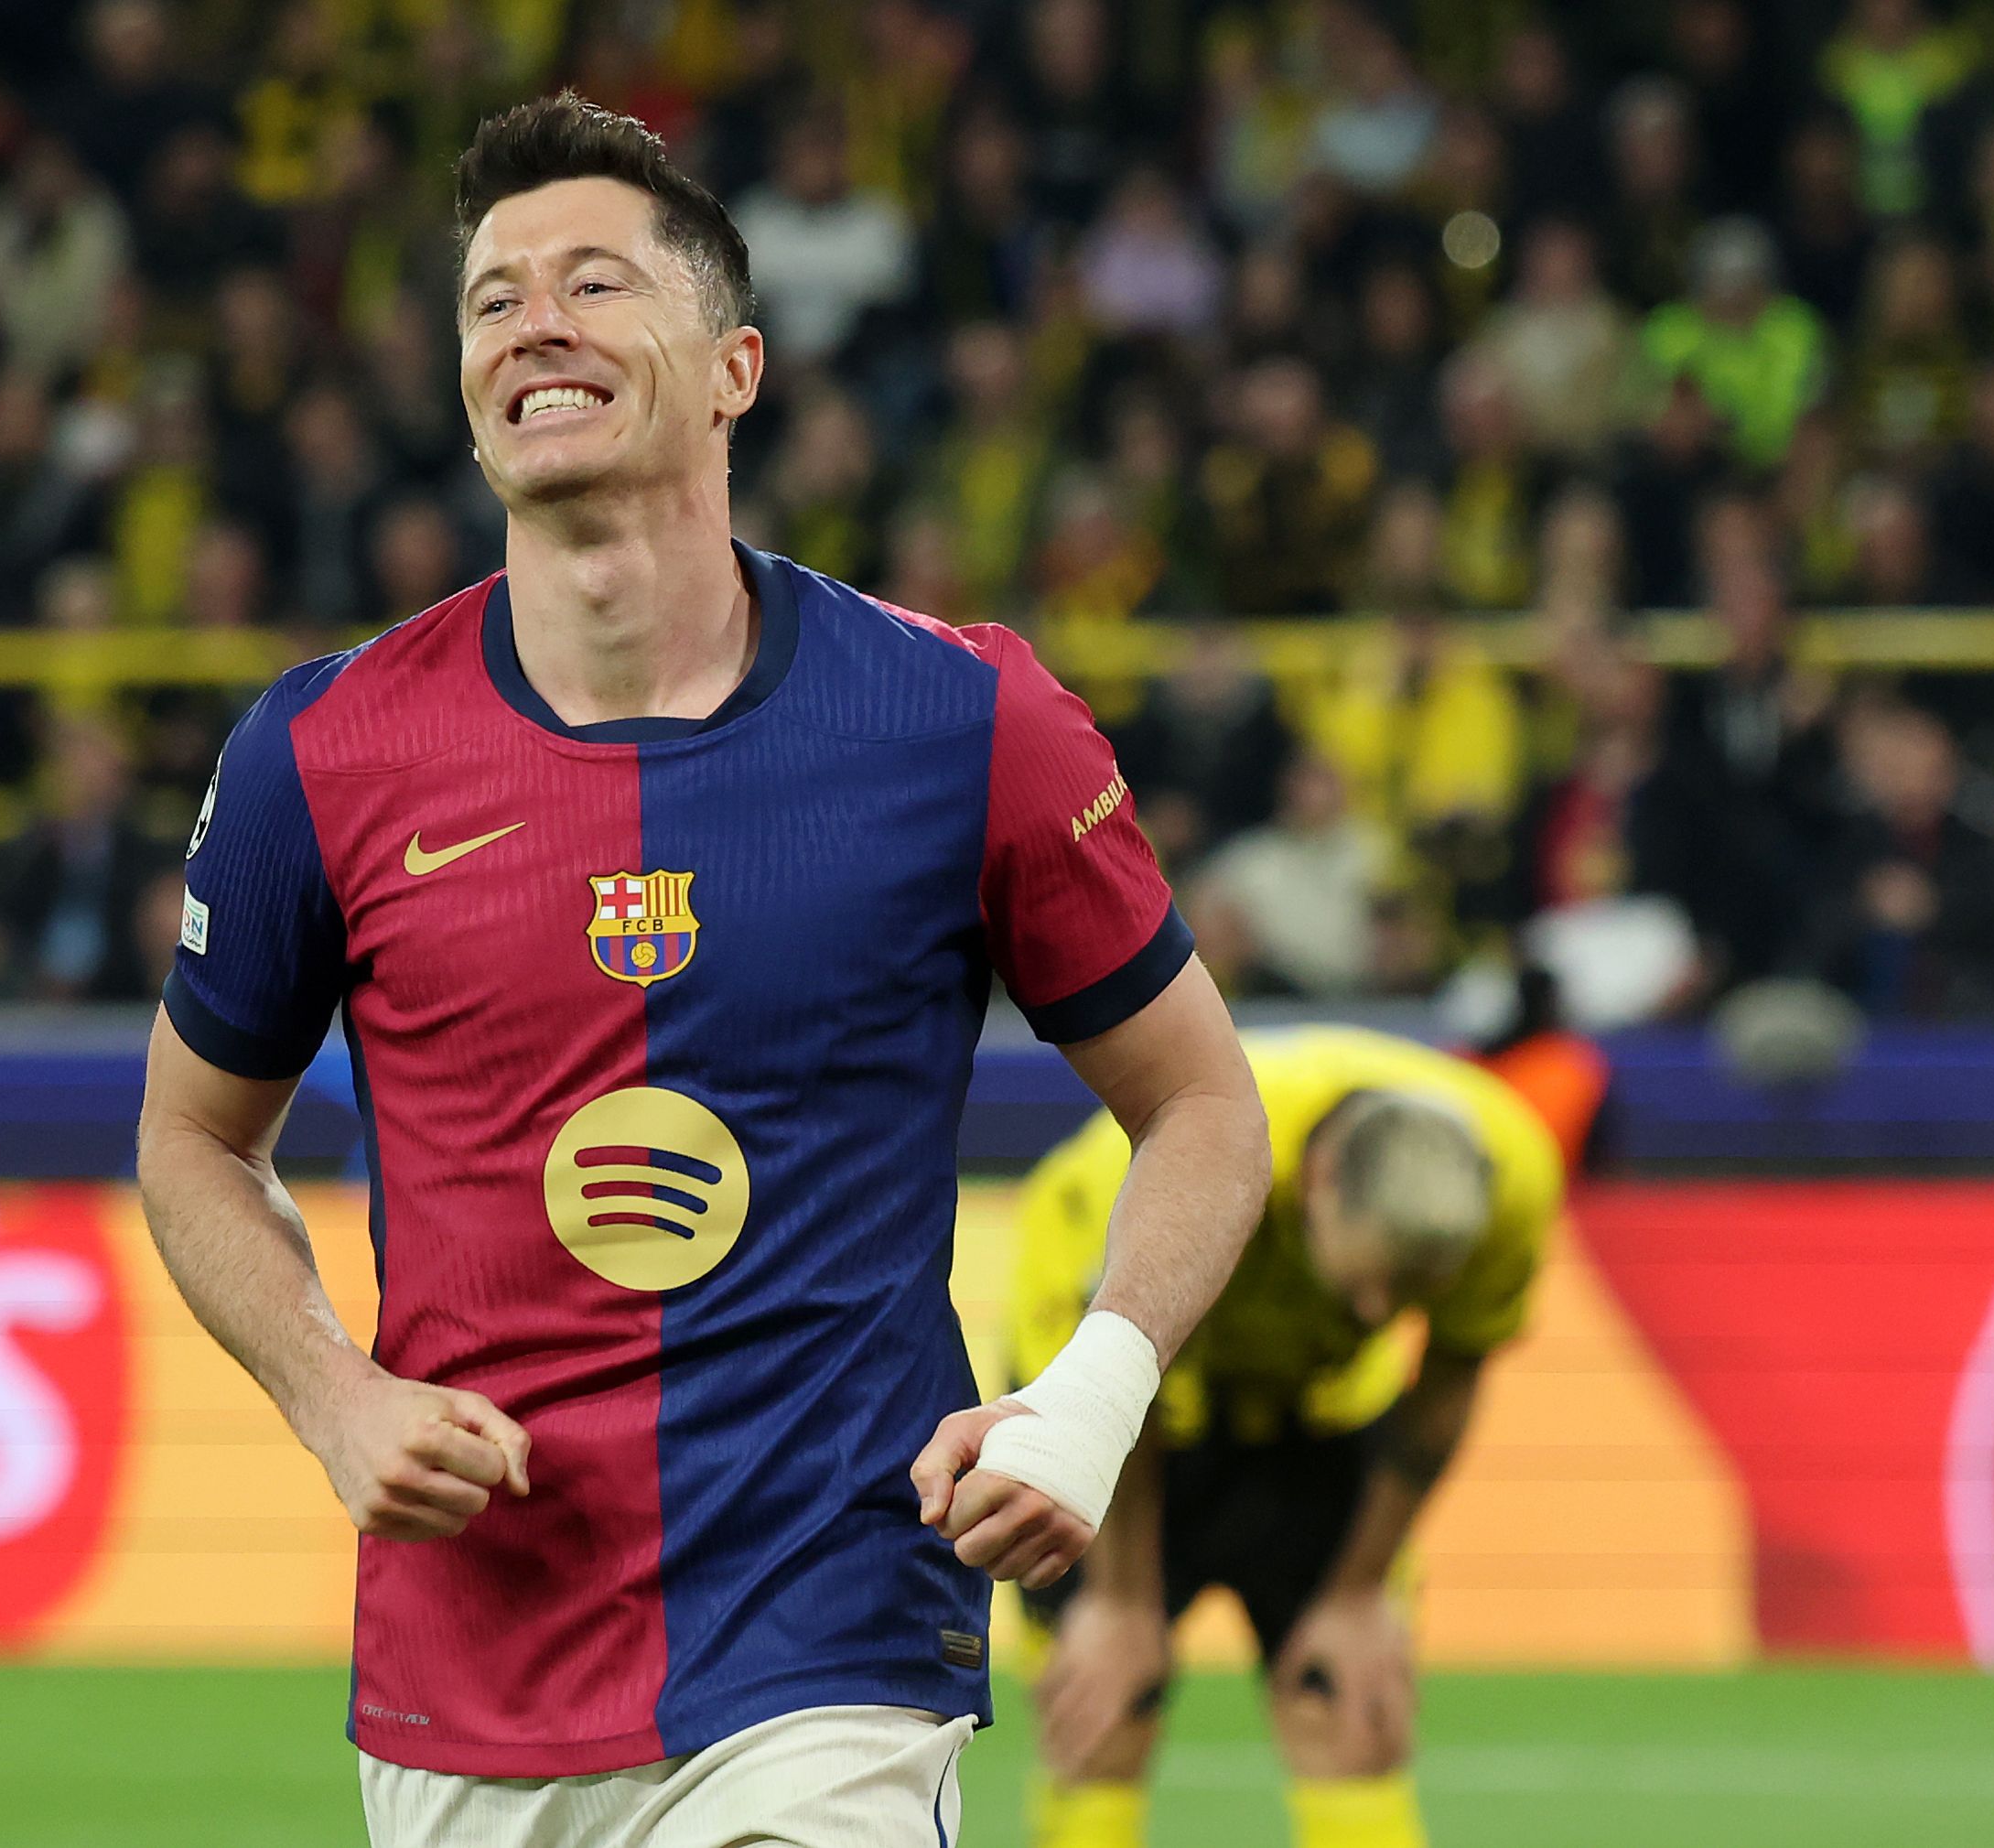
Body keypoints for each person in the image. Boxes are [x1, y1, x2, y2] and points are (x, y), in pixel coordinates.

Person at [135, 95, 1270, 1848]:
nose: (534, 325)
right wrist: (331, 1391)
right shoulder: (321, 752)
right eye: (493, 299)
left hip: (831, 1627)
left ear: (737, 368)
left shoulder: (963, 719)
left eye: (594, 282)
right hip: (471, 1656)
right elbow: (195, 1136)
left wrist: (1091, 1393)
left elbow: (1202, 1100)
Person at [1013, 1025, 1563, 1848]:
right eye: (1369, 1278)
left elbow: (1451, 1374)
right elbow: (1121, 1391)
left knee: (1346, 1705)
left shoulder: (1514, 1182)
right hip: (1108, 1384)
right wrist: (1120, 1601)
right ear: (1319, 1179)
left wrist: (1360, 1590)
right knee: (1108, 1709)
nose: (1377, 1311)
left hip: (1319, 1408)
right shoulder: (1189, 1163)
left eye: (1410, 1289)